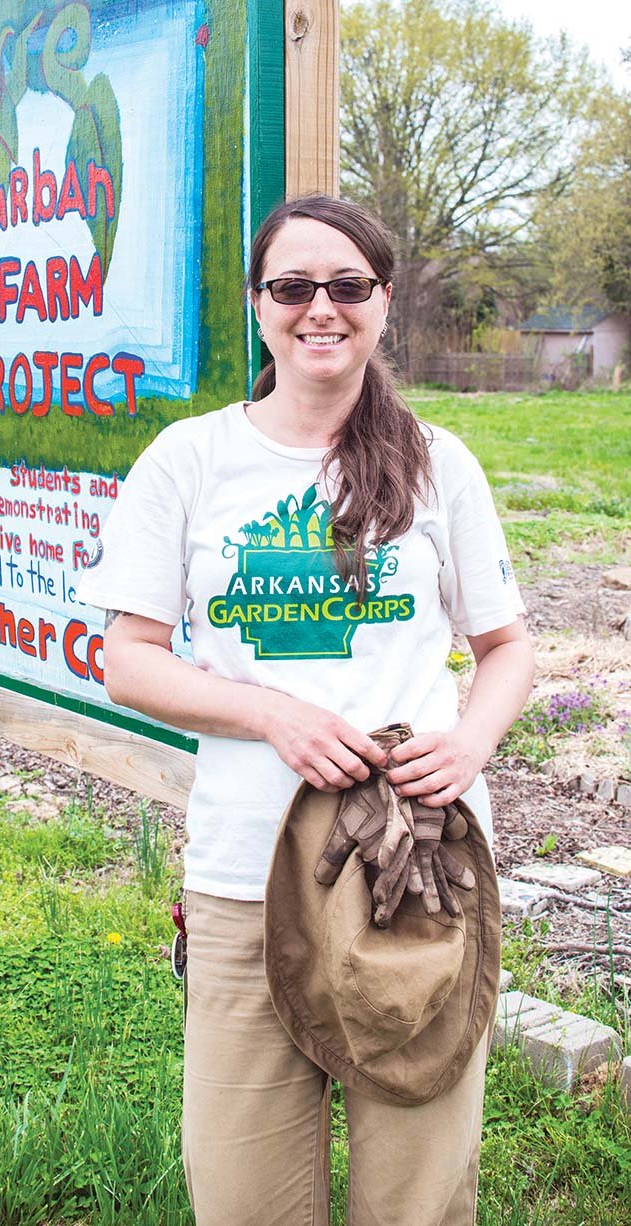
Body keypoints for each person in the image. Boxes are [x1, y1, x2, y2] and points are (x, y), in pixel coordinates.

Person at [76, 194, 534, 1226]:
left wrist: (469, 741)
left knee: (415, 1197)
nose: (319, 307)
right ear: (259, 305)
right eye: (293, 286)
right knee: (246, 1198)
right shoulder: (188, 462)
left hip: (416, 868)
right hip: (245, 874)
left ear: (383, 307)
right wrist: (272, 714)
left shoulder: (437, 462)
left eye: (348, 286)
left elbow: (508, 647)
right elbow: (128, 661)